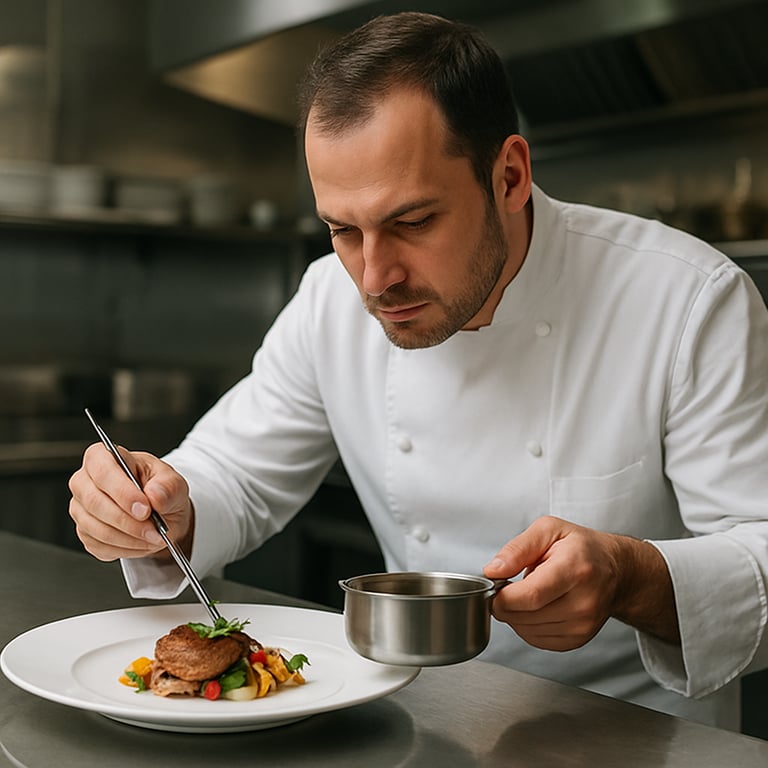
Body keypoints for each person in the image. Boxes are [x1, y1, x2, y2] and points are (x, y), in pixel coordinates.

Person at [68, 12, 768, 730]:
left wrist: (631, 576)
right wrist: (162, 508)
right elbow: (235, 472)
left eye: (412, 222)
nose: (375, 278)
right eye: (343, 229)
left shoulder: (687, 300)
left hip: (642, 736)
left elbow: (762, 550)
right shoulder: (329, 300)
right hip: (420, 721)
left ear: (510, 176)